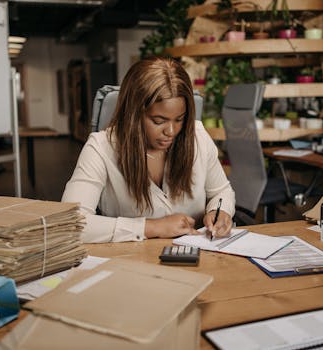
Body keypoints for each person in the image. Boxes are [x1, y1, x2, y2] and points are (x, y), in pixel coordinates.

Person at [62, 57, 235, 243]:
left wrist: (220, 211)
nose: (171, 132)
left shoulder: (197, 137)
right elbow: (70, 225)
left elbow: (221, 192)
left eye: (179, 119)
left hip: (200, 259)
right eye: (159, 121)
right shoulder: (100, 148)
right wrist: (152, 227)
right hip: (131, 264)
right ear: (133, 114)